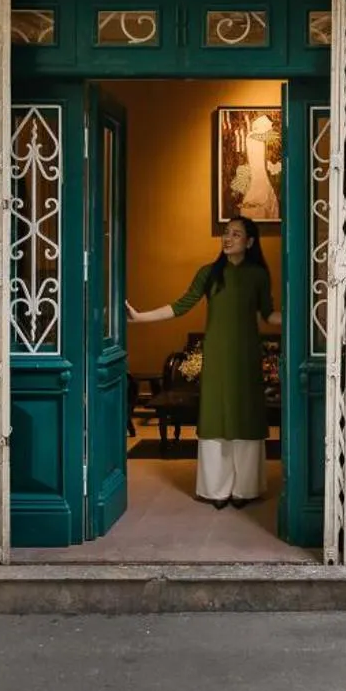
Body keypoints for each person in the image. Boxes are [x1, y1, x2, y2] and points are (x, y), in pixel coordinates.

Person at [126, 218, 280, 509]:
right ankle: (216, 490)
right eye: (226, 233)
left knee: (245, 416)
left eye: (236, 234)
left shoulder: (258, 275)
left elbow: (268, 314)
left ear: (249, 242)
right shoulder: (209, 274)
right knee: (216, 417)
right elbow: (180, 305)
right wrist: (140, 317)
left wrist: (305, 317)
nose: (228, 238)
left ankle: (245, 490)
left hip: (246, 356)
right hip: (218, 356)